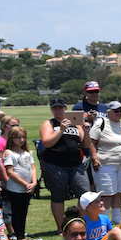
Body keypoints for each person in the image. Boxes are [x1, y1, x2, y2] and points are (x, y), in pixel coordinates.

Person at [39, 98, 91, 231]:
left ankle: (80, 224)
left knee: (85, 194)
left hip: (75, 164)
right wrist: (61, 129)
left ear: (65, 108)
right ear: (51, 110)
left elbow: (85, 145)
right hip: (55, 164)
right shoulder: (49, 123)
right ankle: (61, 228)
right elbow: (46, 143)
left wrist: (86, 132)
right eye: (55, 108)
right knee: (58, 195)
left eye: (60, 108)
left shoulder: (76, 124)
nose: (58, 110)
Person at [88, 101, 121, 225]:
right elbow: (91, 142)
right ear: (108, 112)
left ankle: (116, 217)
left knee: (119, 191)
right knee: (107, 192)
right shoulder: (101, 123)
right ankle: (104, 218)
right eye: (116, 111)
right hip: (105, 163)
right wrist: (94, 158)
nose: (119, 113)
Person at [1, 125, 36, 240]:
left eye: (23, 137)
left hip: (27, 188)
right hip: (15, 188)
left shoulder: (27, 152)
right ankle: (19, 237)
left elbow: (33, 168)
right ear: (11, 138)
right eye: (18, 137)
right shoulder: (9, 153)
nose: (21, 140)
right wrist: (25, 183)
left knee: (24, 212)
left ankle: (22, 234)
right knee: (16, 212)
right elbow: (10, 172)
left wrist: (34, 182)